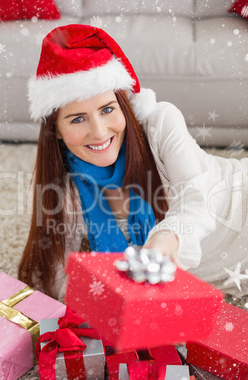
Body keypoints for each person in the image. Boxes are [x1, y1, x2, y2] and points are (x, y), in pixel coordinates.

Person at [18, 24, 248, 301]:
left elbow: (198, 196)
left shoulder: (160, 123)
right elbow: (52, 278)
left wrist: (168, 236)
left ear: (124, 105)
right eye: (77, 118)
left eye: (107, 109)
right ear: (55, 129)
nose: (100, 132)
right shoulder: (65, 184)